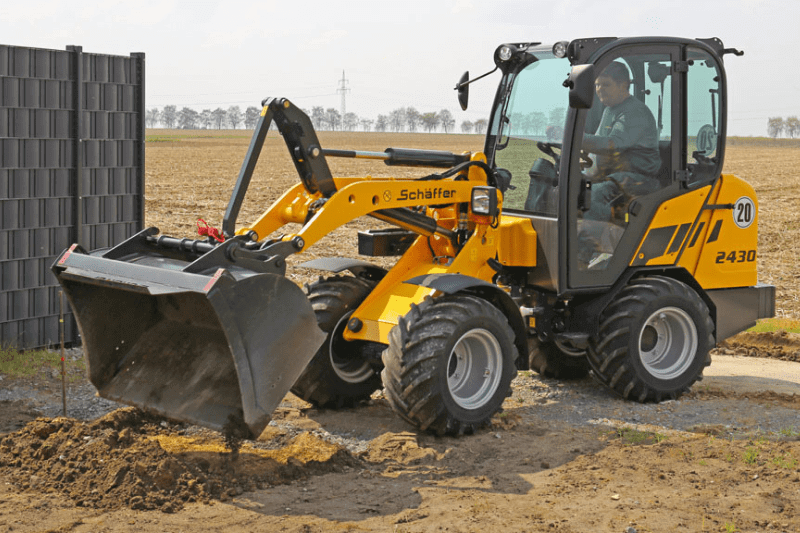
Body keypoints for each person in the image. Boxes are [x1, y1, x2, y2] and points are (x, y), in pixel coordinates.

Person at [582, 61, 661, 223]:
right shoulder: (610, 109)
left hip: (638, 178)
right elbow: (598, 143)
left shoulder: (634, 111)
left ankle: (593, 243)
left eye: (605, 84)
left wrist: (578, 139)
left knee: (595, 194)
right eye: (597, 85)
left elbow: (613, 145)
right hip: (615, 174)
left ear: (623, 85)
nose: (599, 89)